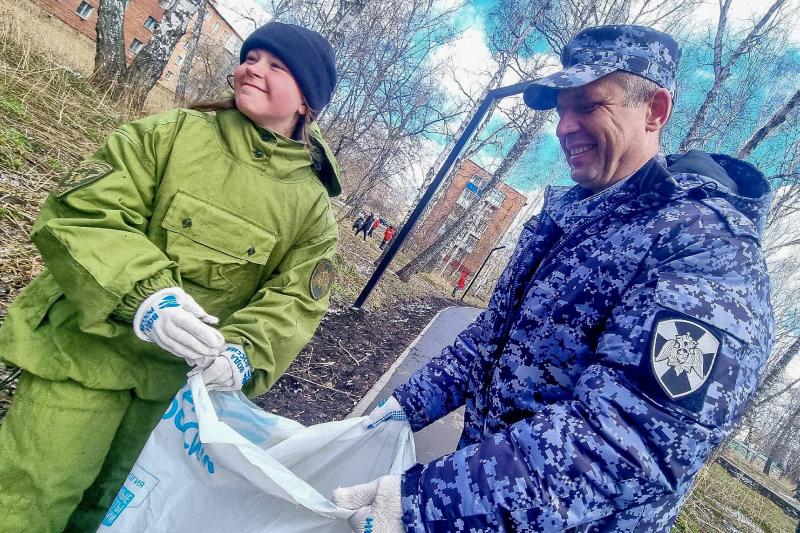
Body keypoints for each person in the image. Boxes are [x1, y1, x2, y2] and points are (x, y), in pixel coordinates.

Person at [334, 25, 774, 532]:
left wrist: (424, 506)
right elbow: (491, 339)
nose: (564, 127)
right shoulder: (567, 219)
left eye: (588, 105)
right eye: (561, 110)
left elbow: (629, 441)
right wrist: (400, 408)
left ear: (654, 111)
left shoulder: (708, 250)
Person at [0, 21, 341, 532]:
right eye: (251, 57)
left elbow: (295, 302)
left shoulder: (311, 210)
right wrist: (146, 297)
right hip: (84, 355)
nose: (253, 69)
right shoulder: (171, 134)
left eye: (277, 66)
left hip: (175, 400)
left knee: (115, 515)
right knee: (27, 500)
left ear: (307, 103)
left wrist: (241, 353)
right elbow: (86, 212)